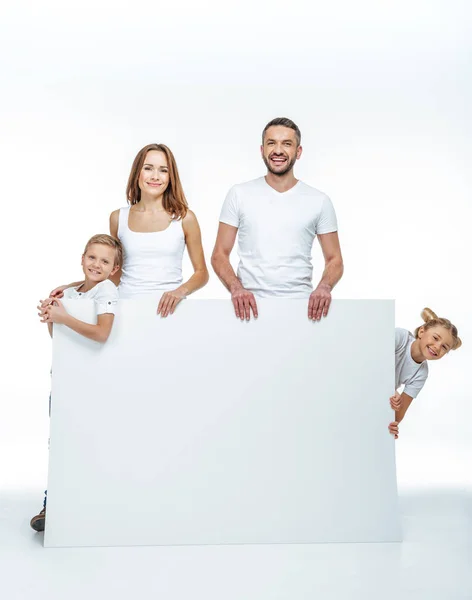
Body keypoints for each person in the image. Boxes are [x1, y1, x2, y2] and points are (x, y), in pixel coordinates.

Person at [49, 143, 209, 316]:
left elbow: (202, 273)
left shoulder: (184, 218)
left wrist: (180, 292)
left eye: (163, 170)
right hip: (124, 308)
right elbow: (114, 272)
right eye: (148, 168)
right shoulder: (118, 218)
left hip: (170, 311)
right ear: (137, 173)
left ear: (171, 177)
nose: (155, 176)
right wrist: (73, 287)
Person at [30, 234, 122, 532]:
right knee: (58, 441)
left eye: (105, 261)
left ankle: (86, 503)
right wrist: (52, 317)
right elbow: (60, 339)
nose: (97, 264)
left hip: (90, 380)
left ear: (114, 269)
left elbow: (102, 332)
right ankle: (52, 503)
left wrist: (64, 317)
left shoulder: (106, 290)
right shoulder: (71, 294)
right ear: (82, 259)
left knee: (87, 441)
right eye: (92, 257)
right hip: (64, 377)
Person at [211, 117, 343, 321]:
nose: (278, 150)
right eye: (272, 143)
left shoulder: (319, 201)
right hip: (248, 309)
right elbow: (219, 254)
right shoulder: (239, 194)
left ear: (298, 152)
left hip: (302, 308)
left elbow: (335, 259)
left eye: (287, 144)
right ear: (262, 149)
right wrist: (237, 289)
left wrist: (324, 287)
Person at [388, 307, 462, 439]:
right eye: (435, 338)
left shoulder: (421, 373)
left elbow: (398, 415)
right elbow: (369, 358)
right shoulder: (400, 337)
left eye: (444, 347)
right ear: (422, 331)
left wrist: (392, 422)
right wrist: (389, 389)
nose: (437, 347)